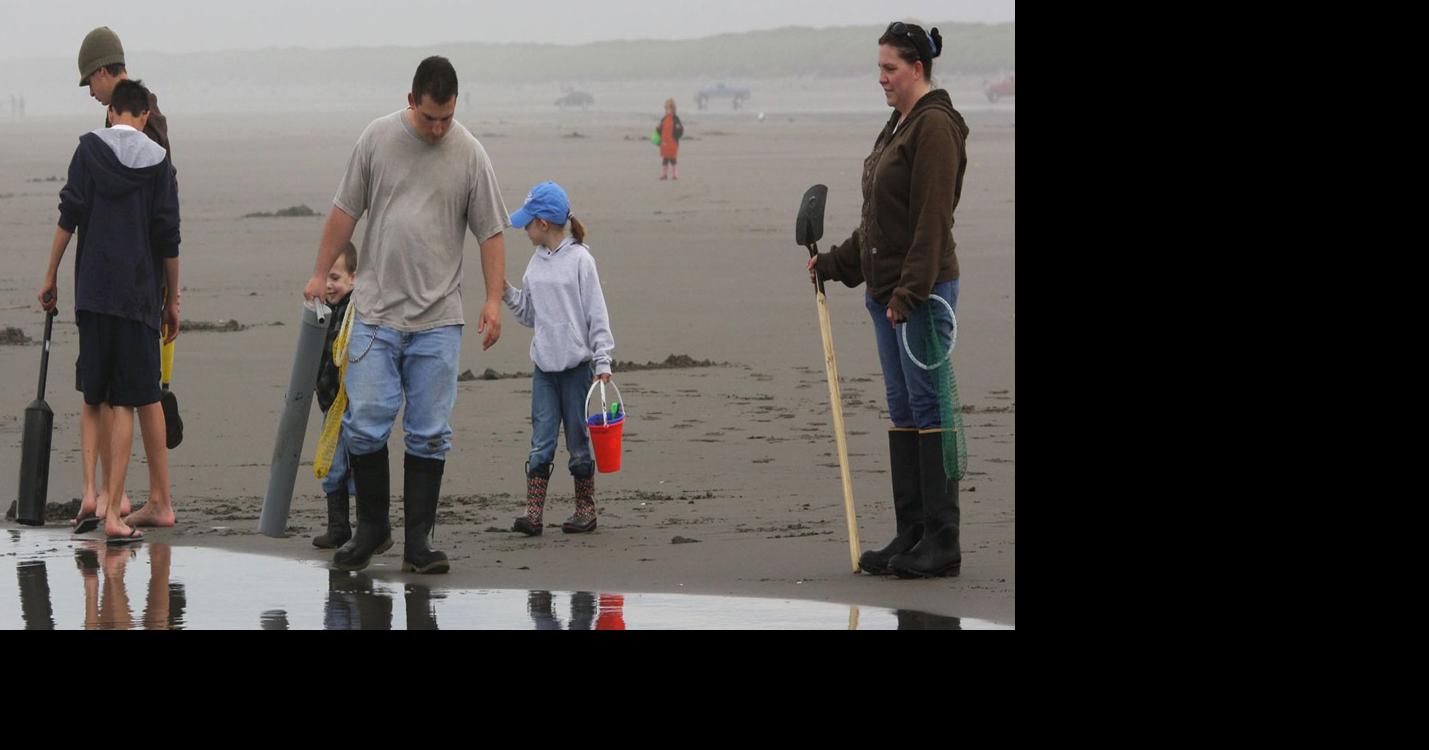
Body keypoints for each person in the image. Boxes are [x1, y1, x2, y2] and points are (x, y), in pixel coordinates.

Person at [302, 55, 510, 574]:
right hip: (375, 316)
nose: (438, 129)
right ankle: (373, 529)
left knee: (429, 432)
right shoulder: (376, 139)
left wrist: (491, 300)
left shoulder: (470, 154)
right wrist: (318, 270)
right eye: (429, 118)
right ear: (411, 100)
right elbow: (344, 211)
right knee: (365, 424)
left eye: (447, 118)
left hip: (439, 321)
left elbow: (490, 232)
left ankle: (419, 542)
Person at [806, 21, 969, 579]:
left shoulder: (937, 128)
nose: (882, 78)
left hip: (920, 295)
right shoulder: (899, 124)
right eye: (879, 68)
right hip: (886, 293)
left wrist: (910, 292)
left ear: (917, 68)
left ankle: (942, 540)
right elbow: (880, 220)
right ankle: (914, 530)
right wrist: (835, 263)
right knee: (903, 410)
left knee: (928, 409)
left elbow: (931, 222)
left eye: (890, 68)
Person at [39, 78, 181, 545]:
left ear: (111, 112)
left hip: (94, 292)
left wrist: (51, 273)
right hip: (138, 297)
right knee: (124, 401)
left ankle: (90, 494)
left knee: (92, 394)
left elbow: (69, 215)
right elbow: (167, 237)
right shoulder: (158, 162)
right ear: (142, 116)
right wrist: (172, 298)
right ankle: (117, 513)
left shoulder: (87, 150)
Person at [70, 25, 176, 530]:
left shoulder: (144, 119)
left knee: (139, 394)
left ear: (105, 72)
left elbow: (160, 212)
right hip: (130, 281)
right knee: (135, 392)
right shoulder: (133, 114)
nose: (91, 92)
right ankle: (127, 495)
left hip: (130, 282)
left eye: (90, 81)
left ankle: (149, 497)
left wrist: (169, 293)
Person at [502, 182, 615, 536]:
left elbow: (597, 314)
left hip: (577, 369)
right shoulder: (536, 263)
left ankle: (586, 509)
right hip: (544, 370)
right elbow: (528, 313)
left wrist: (602, 361)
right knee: (542, 440)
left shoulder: (581, 260)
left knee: (579, 442)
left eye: (528, 222)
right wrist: (503, 291)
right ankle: (533, 515)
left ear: (545, 224)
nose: (524, 229)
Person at [311, 242, 371, 550]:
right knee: (332, 467)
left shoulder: (354, 311)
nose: (330, 285)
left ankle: (364, 529)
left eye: (336, 278)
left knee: (357, 466)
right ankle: (338, 527)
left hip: (351, 405)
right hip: (330, 406)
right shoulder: (324, 313)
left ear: (354, 278)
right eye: (326, 278)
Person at [654, 98, 683, 180]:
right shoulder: (664, 119)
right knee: (665, 159)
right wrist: (657, 129)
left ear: (673, 109)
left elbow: (680, 130)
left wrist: (678, 130)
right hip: (664, 143)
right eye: (666, 108)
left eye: (669, 108)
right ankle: (664, 174)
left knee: (673, 159)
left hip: (672, 143)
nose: (667, 110)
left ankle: (675, 174)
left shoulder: (676, 119)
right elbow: (660, 129)